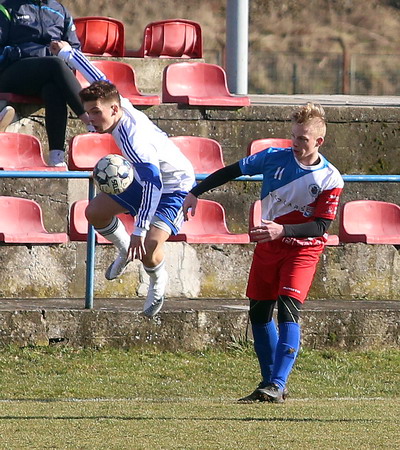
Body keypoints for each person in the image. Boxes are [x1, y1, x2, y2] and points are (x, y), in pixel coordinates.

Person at [183, 103, 344, 403]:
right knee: (258, 312)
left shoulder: (330, 178)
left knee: (288, 308)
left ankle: (279, 383)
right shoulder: (272, 158)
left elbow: (321, 226)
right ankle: (269, 383)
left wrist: (283, 230)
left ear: (319, 141)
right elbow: (232, 170)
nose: (295, 143)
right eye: (293, 136)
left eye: (303, 139)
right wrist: (196, 192)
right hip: (269, 246)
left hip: (303, 250)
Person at [51, 41, 195, 317]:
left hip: (175, 186)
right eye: (89, 112)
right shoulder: (119, 103)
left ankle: (157, 280)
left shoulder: (134, 141)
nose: (91, 119)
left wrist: (139, 229)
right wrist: (68, 53)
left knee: (150, 246)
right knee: (94, 212)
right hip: (145, 178)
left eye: (96, 113)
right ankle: (124, 248)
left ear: (114, 110)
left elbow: (154, 183)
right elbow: (99, 78)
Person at [0, 0, 93, 166]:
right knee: (55, 64)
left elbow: (74, 51)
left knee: (53, 89)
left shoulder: (60, 10)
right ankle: (90, 119)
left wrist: (65, 50)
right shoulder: (6, 7)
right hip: (13, 71)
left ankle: (56, 157)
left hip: (48, 73)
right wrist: (22, 51)